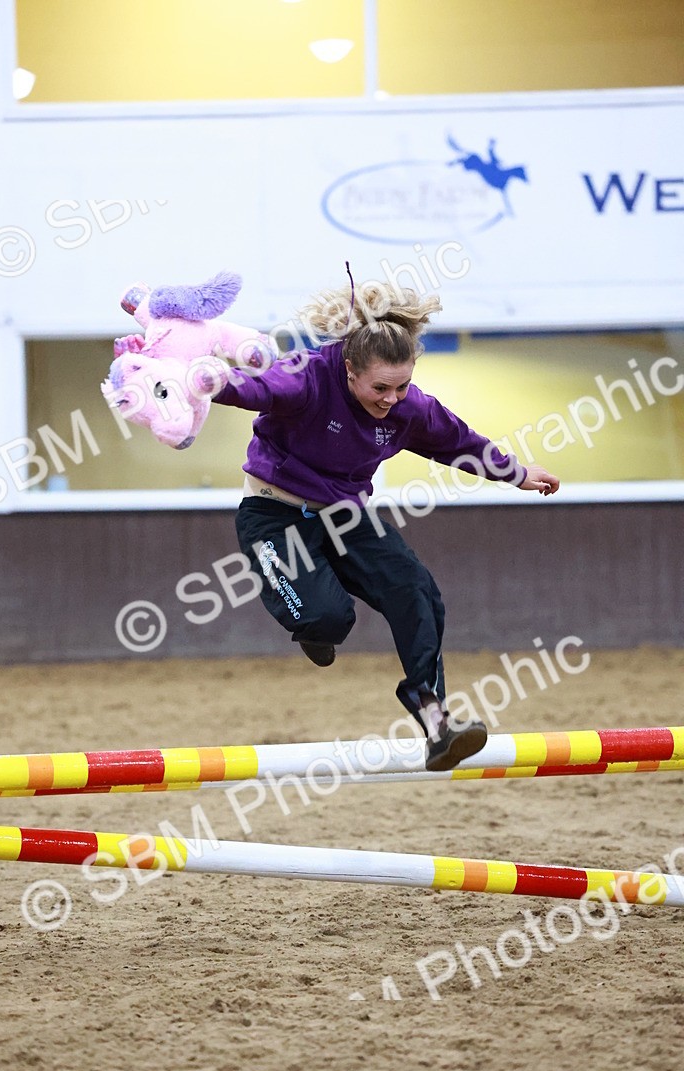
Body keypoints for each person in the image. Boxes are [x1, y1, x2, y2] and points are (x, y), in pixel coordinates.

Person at [208, 278, 560, 770]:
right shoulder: (306, 378)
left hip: (345, 516)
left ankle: (434, 717)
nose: (391, 399)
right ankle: (315, 625)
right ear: (349, 370)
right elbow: (253, 387)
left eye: (402, 386)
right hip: (274, 516)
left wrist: (518, 474)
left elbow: (457, 441)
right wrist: (202, 383)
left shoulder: (407, 407)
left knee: (416, 589)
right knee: (329, 619)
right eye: (380, 388)